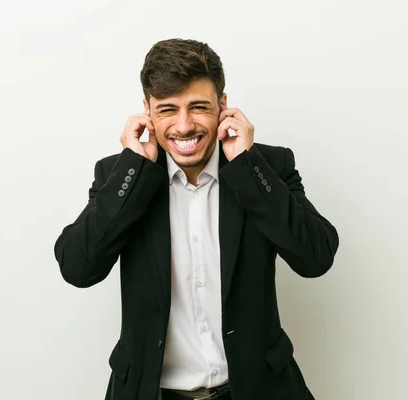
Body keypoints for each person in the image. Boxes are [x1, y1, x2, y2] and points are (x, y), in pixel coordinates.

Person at [54, 38, 339, 400]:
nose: (184, 126)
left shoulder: (267, 165)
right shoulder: (122, 173)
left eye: (199, 107)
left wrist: (248, 168)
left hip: (258, 390)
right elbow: (77, 268)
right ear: (146, 111)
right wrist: (133, 167)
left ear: (223, 105)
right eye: (167, 110)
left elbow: (316, 257)